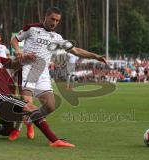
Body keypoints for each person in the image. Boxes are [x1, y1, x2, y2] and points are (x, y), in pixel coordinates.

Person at [0, 27, 75, 147]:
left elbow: (13, 63)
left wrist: (24, 57)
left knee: (6, 130)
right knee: (31, 108)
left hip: (7, 96)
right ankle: (54, 140)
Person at [11, 7, 107, 140]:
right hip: (27, 70)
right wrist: (18, 51)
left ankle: (30, 121)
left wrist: (95, 56)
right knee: (27, 103)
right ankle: (17, 128)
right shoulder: (32, 28)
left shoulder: (57, 38)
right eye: (52, 19)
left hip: (43, 74)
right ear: (46, 17)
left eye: (57, 20)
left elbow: (77, 51)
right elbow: (14, 40)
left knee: (50, 106)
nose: (54, 22)